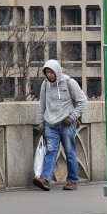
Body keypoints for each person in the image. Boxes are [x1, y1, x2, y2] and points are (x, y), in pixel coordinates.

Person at [33, 59, 87, 191]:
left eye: (52, 72)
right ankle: (45, 179)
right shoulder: (45, 85)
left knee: (69, 152)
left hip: (66, 123)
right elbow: (42, 106)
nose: (49, 75)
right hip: (51, 124)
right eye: (47, 72)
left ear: (57, 71)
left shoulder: (69, 83)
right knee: (50, 151)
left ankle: (72, 181)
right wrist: (42, 124)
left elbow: (83, 102)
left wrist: (72, 117)